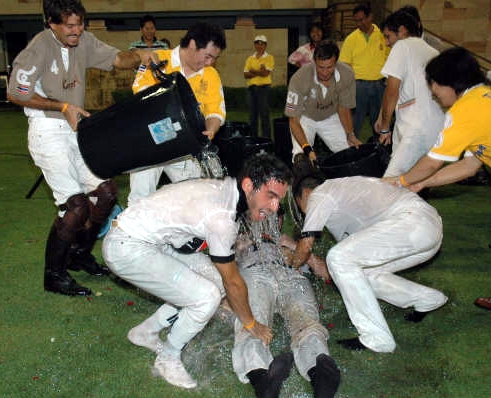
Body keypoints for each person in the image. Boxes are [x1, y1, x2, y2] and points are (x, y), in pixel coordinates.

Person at [6, 0, 158, 296]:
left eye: (81, 24)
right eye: (70, 26)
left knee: (106, 194)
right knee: (75, 206)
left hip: (74, 128)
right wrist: (62, 106)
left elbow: (116, 59)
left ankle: (78, 255)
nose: (77, 31)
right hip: (47, 130)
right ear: (52, 24)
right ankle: (54, 275)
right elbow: (15, 93)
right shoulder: (38, 48)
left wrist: (141, 55)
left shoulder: (84, 40)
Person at [102, 153, 293, 389]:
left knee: (211, 281)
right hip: (127, 248)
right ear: (248, 185)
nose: (274, 207)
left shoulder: (226, 188)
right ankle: (168, 356)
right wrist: (251, 323)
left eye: (278, 200)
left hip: (148, 239)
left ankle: (146, 332)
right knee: (207, 297)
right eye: (270, 196)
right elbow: (233, 282)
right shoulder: (222, 218)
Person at [291, 169, 448, 353]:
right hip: (426, 231)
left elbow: (306, 245)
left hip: (413, 223)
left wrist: (291, 266)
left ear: (304, 194)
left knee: (338, 257)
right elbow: (344, 274)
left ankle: (377, 338)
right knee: (360, 271)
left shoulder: (321, 193)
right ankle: (427, 299)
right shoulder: (344, 200)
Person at [382, 47, 491, 311]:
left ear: (451, 83)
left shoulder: (465, 110)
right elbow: (469, 165)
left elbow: (432, 161)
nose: (434, 94)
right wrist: (423, 183)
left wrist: (402, 181)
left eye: (435, 87)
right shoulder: (481, 97)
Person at [232, 211, 341, 398]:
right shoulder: (236, 240)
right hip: (255, 274)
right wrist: (238, 247)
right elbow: (223, 274)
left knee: (308, 325)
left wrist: (298, 248)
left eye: (274, 215)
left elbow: (327, 274)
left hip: (291, 275)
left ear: (280, 220)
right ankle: (262, 379)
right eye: (261, 213)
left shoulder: (293, 244)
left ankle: (320, 378)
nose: (267, 218)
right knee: (252, 324)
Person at [128, 22, 227, 206]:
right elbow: (140, 95)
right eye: (207, 56)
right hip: (149, 142)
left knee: (194, 199)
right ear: (192, 44)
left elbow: (215, 110)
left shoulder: (211, 75)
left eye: (214, 58)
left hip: (184, 147)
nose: (210, 62)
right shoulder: (157, 61)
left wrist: (211, 130)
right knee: (140, 200)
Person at [374, 10, 444, 177]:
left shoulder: (402, 46)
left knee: (391, 181)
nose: (387, 42)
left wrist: (385, 127)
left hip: (415, 126)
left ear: (403, 31)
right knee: (415, 182)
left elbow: (392, 91)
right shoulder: (432, 51)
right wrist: (381, 117)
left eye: (388, 36)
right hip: (434, 125)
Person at [285, 39, 362, 166]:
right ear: (314, 61)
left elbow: (344, 108)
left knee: (349, 153)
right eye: (320, 67)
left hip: (330, 115)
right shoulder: (299, 78)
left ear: (336, 62)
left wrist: (350, 134)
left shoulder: (346, 74)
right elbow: (293, 119)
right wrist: (307, 149)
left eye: (329, 67)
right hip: (305, 117)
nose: (325, 72)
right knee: (301, 157)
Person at [339, 3, 390, 139]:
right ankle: (351, 148)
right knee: (355, 120)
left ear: (370, 17)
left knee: (379, 119)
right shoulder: (351, 39)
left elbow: (389, 58)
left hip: (380, 84)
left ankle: (379, 149)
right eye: (357, 20)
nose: (360, 23)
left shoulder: (383, 36)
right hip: (358, 85)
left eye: (362, 19)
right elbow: (344, 64)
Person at [244, 35, 275, 139]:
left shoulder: (269, 57)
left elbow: (265, 73)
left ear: (265, 45)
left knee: (264, 114)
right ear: (255, 45)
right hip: (251, 88)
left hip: (264, 88)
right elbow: (245, 74)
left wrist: (253, 71)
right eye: (257, 43)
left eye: (262, 44)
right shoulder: (250, 58)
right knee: (252, 116)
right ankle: (253, 139)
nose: (259, 46)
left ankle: (266, 139)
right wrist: (259, 71)